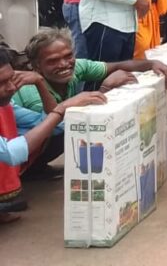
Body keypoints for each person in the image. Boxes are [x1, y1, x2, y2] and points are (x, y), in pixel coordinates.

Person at [11, 28, 167, 177]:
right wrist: (105, 88)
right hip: (20, 149)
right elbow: (54, 125)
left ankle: (36, 168)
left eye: (68, 56)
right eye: (53, 61)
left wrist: (152, 64)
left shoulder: (76, 67)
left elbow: (117, 65)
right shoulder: (31, 91)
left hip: (39, 139)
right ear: (37, 67)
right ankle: (28, 170)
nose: (64, 64)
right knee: (71, 130)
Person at [0, 48, 106, 224]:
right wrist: (61, 109)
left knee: (46, 132)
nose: (11, 87)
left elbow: (52, 125)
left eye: (11, 79)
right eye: (2, 83)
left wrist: (39, 82)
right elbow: (11, 153)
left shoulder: (7, 106)